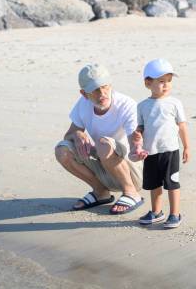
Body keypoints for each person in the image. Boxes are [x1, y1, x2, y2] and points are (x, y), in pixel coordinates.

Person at [54, 63, 144, 214]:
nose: (102, 93)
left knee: (103, 143)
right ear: (84, 93)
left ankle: (131, 193)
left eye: (105, 86)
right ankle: (100, 192)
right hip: (104, 167)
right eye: (95, 90)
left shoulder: (126, 104)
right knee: (62, 149)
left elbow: (134, 137)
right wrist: (78, 134)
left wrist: (136, 147)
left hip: (132, 170)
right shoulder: (83, 104)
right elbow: (69, 134)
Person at [130, 58, 190, 228]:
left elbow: (182, 126)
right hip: (150, 151)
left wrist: (187, 146)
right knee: (154, 184)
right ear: (148, 83)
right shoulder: (142, 106)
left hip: (170, 150)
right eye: (161, 81)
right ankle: (156, 212)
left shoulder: (175, 103)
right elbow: (140, 127)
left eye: (169, 81)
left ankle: (174, 214)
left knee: (172, 183)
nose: (166, 85)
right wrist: (137, 134)